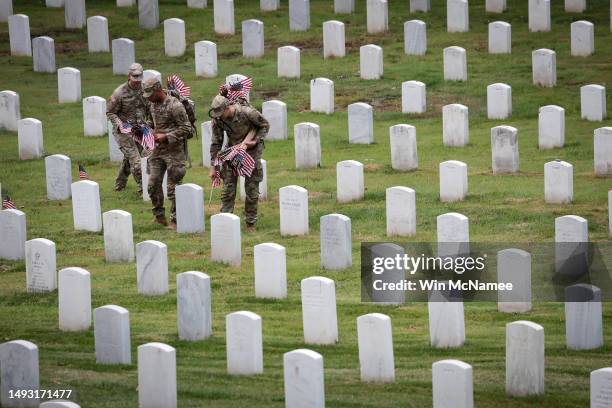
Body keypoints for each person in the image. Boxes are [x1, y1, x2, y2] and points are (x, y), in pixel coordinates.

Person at [209, 94, 269, 232]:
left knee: (251, 188)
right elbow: (216, 142)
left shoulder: (247, 113)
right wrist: (213, 166)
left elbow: (264, 125)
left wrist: (255, 141)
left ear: (228, 107)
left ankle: (250, 222)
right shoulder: (218, 119)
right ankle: (225, 220)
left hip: (251, 151)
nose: (220, 116)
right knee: (228, 188)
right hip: (233, 151)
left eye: (221, 113)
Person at [142, 77, 192, 229]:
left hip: (174, 152)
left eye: (151, 93)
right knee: (152, 184)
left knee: (173, 188)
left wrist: (166, 136)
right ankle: (159, 217)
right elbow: (151, 122)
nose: (148, 97)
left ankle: (176, 220)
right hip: (157, 151)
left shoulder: (174, 105)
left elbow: (187, 128)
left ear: (158, 90)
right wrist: (147, 130)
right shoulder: (151, 104)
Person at [106, 63, 149, 195]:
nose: (137, 82)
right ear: (129, 77)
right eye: (134, 79)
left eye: (139, 79)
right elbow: (110, 112)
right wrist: (119, 124)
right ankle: (144, 189)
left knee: (130, 158)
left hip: (140, 130)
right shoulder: (119, 93)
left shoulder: (145, 90)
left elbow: (150, 107)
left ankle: (120, 184)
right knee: (136, 161)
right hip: (124, 132)